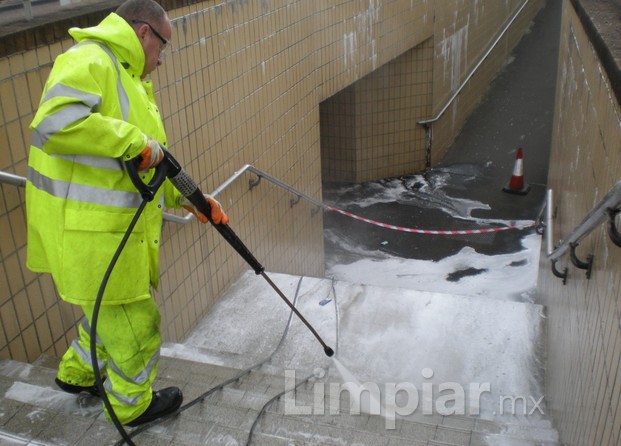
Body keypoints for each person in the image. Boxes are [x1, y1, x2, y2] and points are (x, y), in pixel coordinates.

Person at [25, 0, 227, 427]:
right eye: (163, 47)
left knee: (109, 313)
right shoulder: (89, 59)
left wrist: (197, 200)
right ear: (143, 33)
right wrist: (132, 140)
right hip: (92, 233)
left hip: (107, 232)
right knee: (137, 323)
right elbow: (55, 122)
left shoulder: (130, 81)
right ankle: (133, 405)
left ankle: (77, 373)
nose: (162, 59)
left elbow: (155, 162)